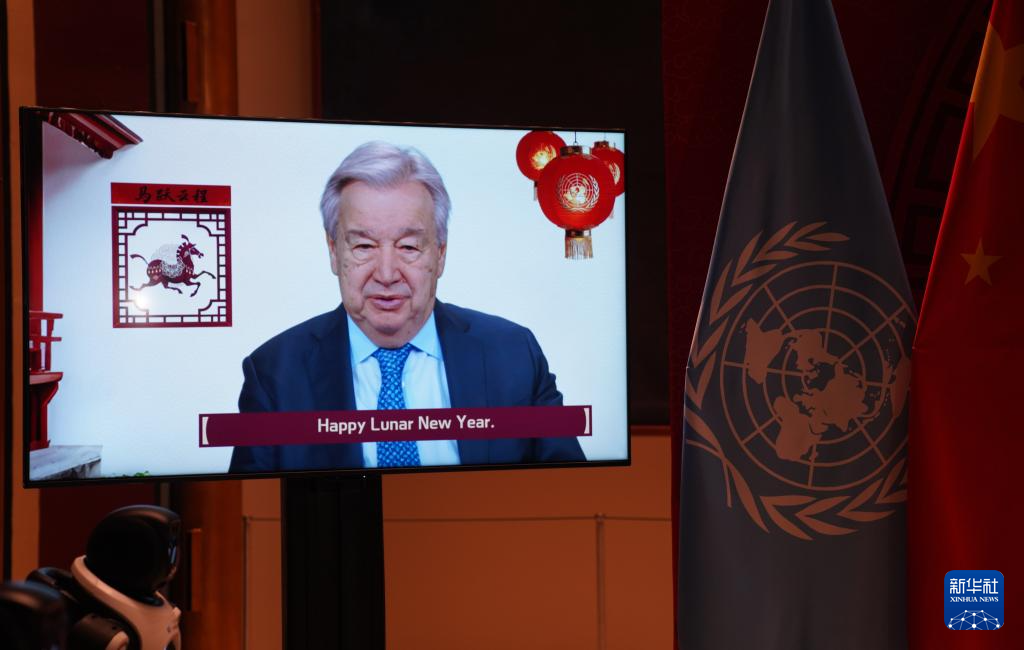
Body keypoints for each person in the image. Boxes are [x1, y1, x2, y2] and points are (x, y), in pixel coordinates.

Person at [228, 141, 585, 473]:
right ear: (334, 252)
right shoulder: (275, 373)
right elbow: (262, 509)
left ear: (440, 254)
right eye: (364, 247)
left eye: (409, 247)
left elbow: (568, 489)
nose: (386, 274)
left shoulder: (513, 354)